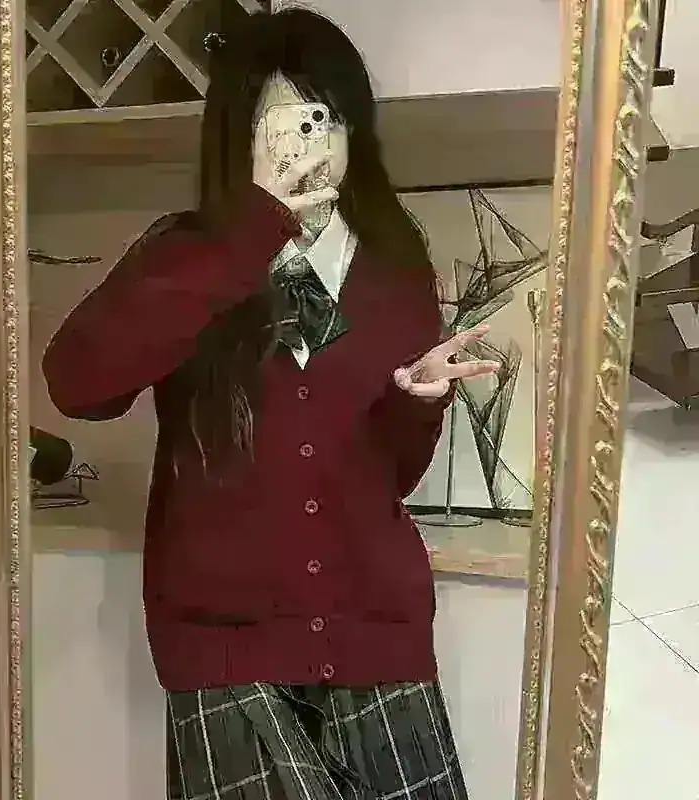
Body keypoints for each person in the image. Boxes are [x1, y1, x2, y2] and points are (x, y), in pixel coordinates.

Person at [43, 8, 498, 799]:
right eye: (281, 125)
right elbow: (77, 384)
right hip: (225, 648)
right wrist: (252, 227)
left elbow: (388, 476)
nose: (307, 146)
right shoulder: (188, 252)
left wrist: (419, 404)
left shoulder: (394, 263)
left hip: (374, 634)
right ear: (239, 138)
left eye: (327, 120)